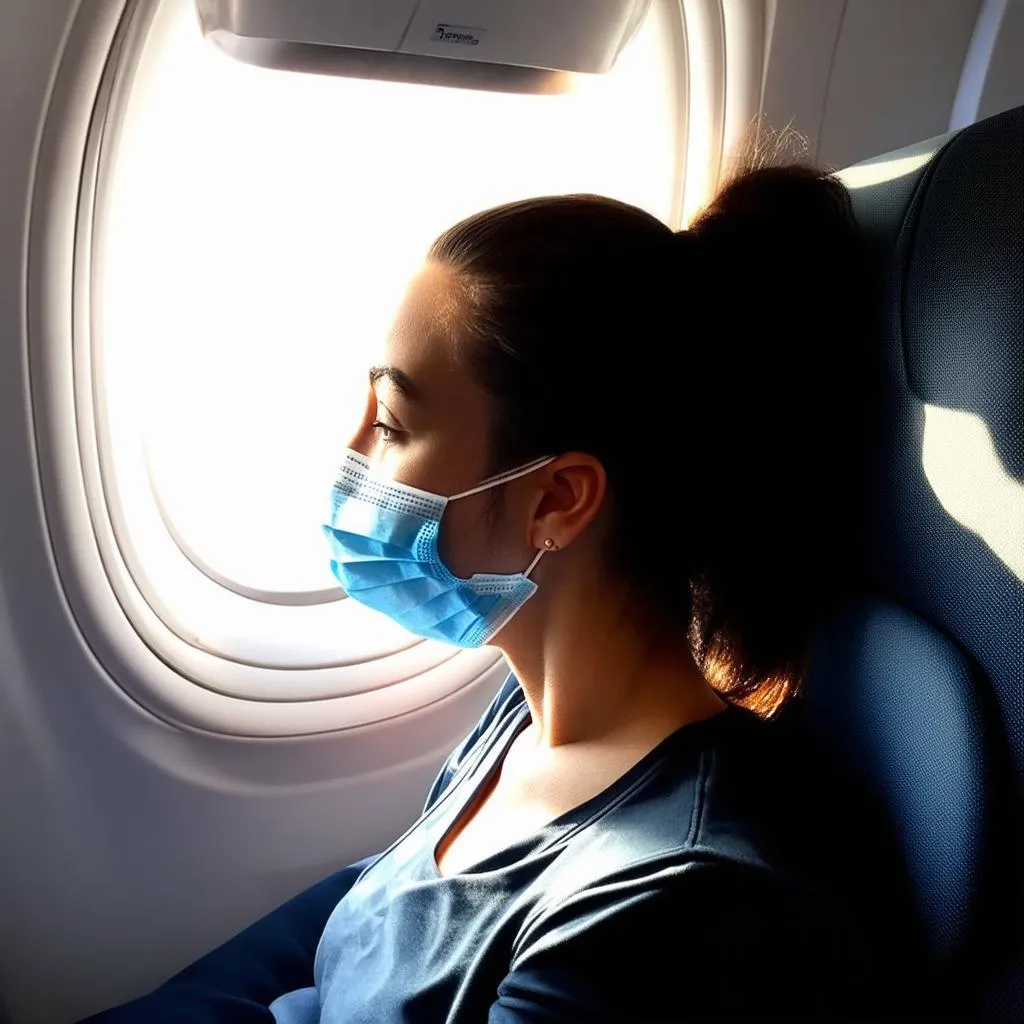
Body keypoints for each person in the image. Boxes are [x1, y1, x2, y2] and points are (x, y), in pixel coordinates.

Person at [81, 154, 929, 1022]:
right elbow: (352, 926)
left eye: (392, 423)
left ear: (555, 500)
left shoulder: (677, 900)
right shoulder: (521, 726)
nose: (351, 457)